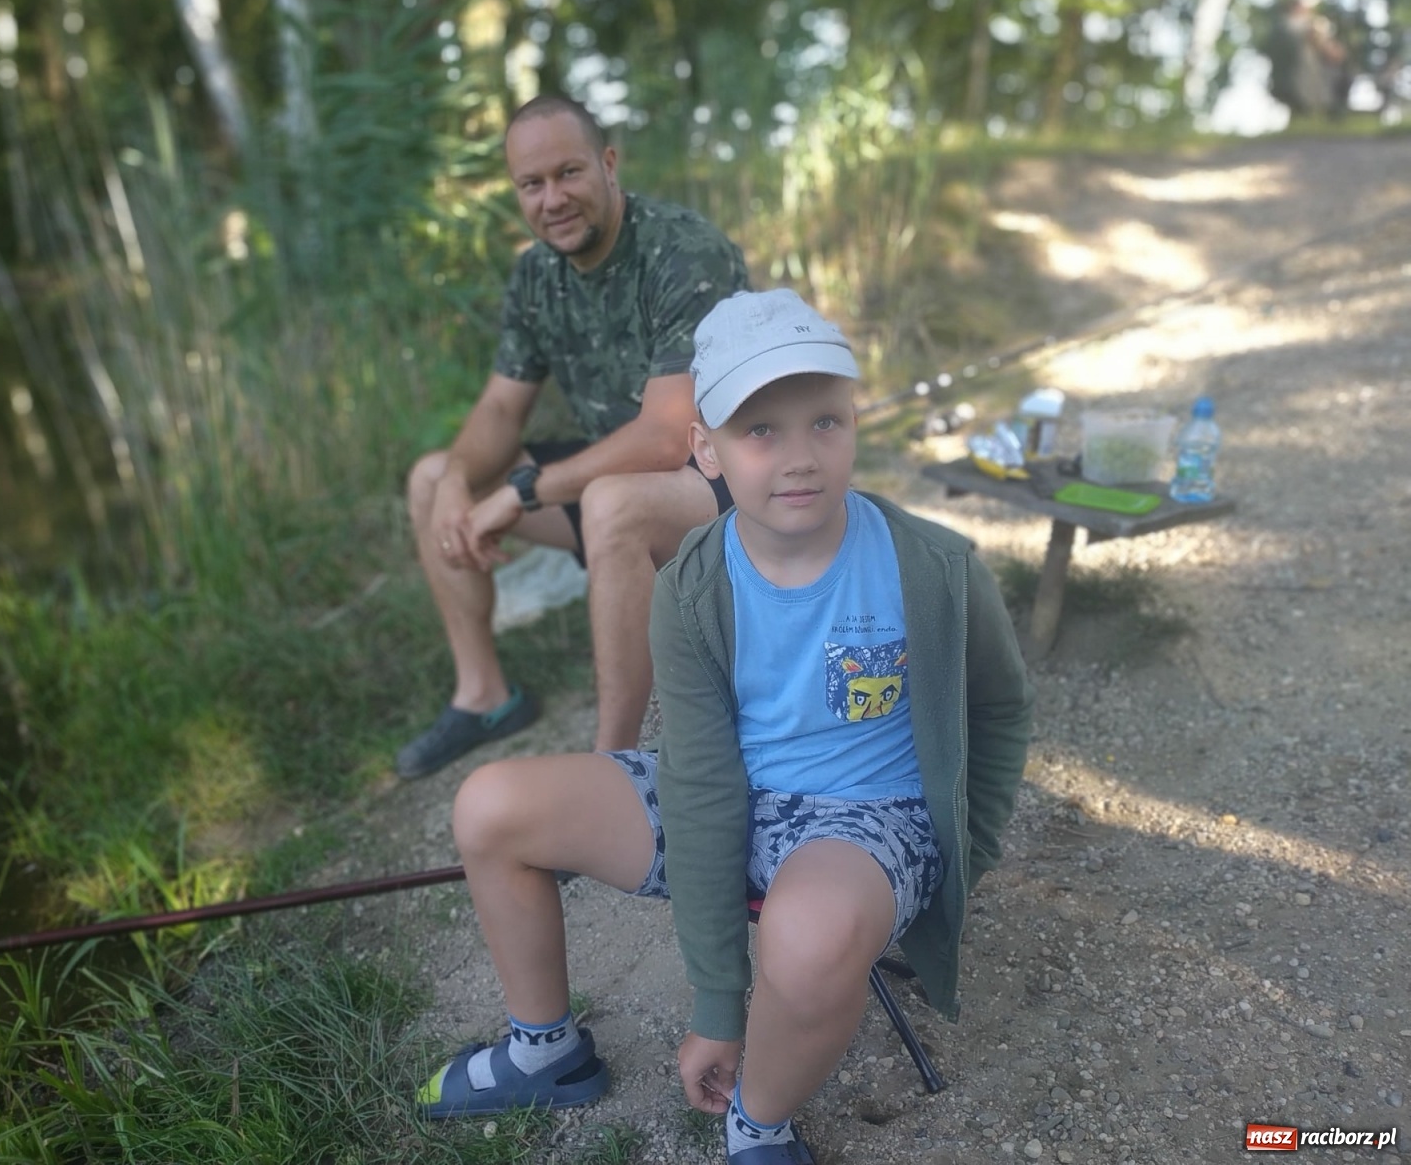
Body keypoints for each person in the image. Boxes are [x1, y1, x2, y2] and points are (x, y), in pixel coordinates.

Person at [413, 289, 1035, 1163]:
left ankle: (757, 1120)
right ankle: (545, 1049)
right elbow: (702, 786)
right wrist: (718, 1001)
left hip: (868, 818)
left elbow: (1001, 707)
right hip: (732, 793)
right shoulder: (693, 585)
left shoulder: (933, 566)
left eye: (825, 421)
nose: (800, 457)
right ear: (705, 448)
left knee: (811, 934)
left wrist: (974, 840)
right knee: (491, 804)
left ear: (855, 421)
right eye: (760, 430)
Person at [396, 94, 749, 780]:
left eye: (569, 173)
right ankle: (485, 698)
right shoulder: (536, 275)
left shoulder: (683, 252)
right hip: (614, 485)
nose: (552, 198)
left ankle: (613, 768)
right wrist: (458, 485)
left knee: (611, 500)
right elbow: (502, 410)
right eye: (532, 184)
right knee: (431, 478)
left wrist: (524, 492)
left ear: (609, 164)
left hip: (724, 492)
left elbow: (667, 437)